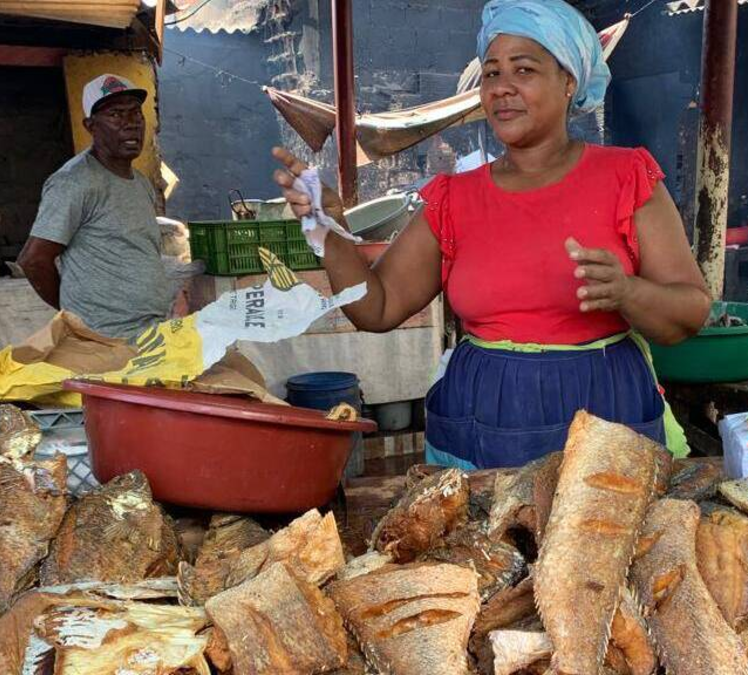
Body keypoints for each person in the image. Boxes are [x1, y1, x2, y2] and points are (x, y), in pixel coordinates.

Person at [272, 0, 710, 469]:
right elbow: (375, 307)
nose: (502, 89)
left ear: (569, 82)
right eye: (491, 74)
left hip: (603, 414)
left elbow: (690, 312)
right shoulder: (454, 198)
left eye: (524, 70)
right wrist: (328, 231)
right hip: (482, 418)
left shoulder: (627, 177)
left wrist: (628, 292)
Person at [17, 74, 171, 340]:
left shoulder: (142, 183)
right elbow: (33, 260)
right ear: (91, 126)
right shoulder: (74, 182)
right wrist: (77, 318)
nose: (131, 124)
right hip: (105, 340)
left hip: (149, 331)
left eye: (136, 113)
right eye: (116, 115)